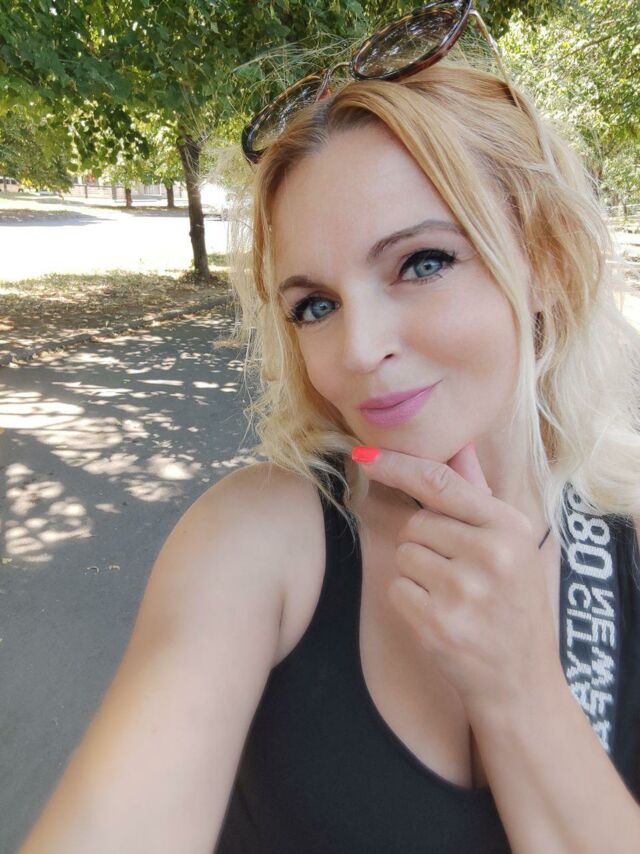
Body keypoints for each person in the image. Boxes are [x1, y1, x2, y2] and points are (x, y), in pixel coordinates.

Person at [19, 3, 640, 853]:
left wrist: (519, 684)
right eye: (315, 305)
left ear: (545, 265)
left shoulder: (625, 544)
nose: (357, 350)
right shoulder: (258, 540)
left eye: (422, 262)